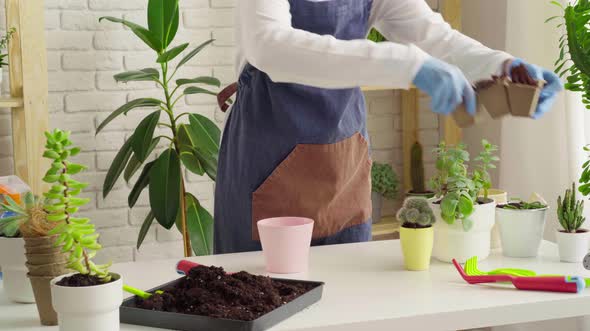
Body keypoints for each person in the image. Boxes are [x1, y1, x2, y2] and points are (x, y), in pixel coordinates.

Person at [213, 0, 563, 254]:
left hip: (342, 162)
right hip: (267, 159)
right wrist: (410, 65)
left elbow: (432, 36)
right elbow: (270, 47)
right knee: (256, 298)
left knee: (349, 303)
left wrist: (501, 65)